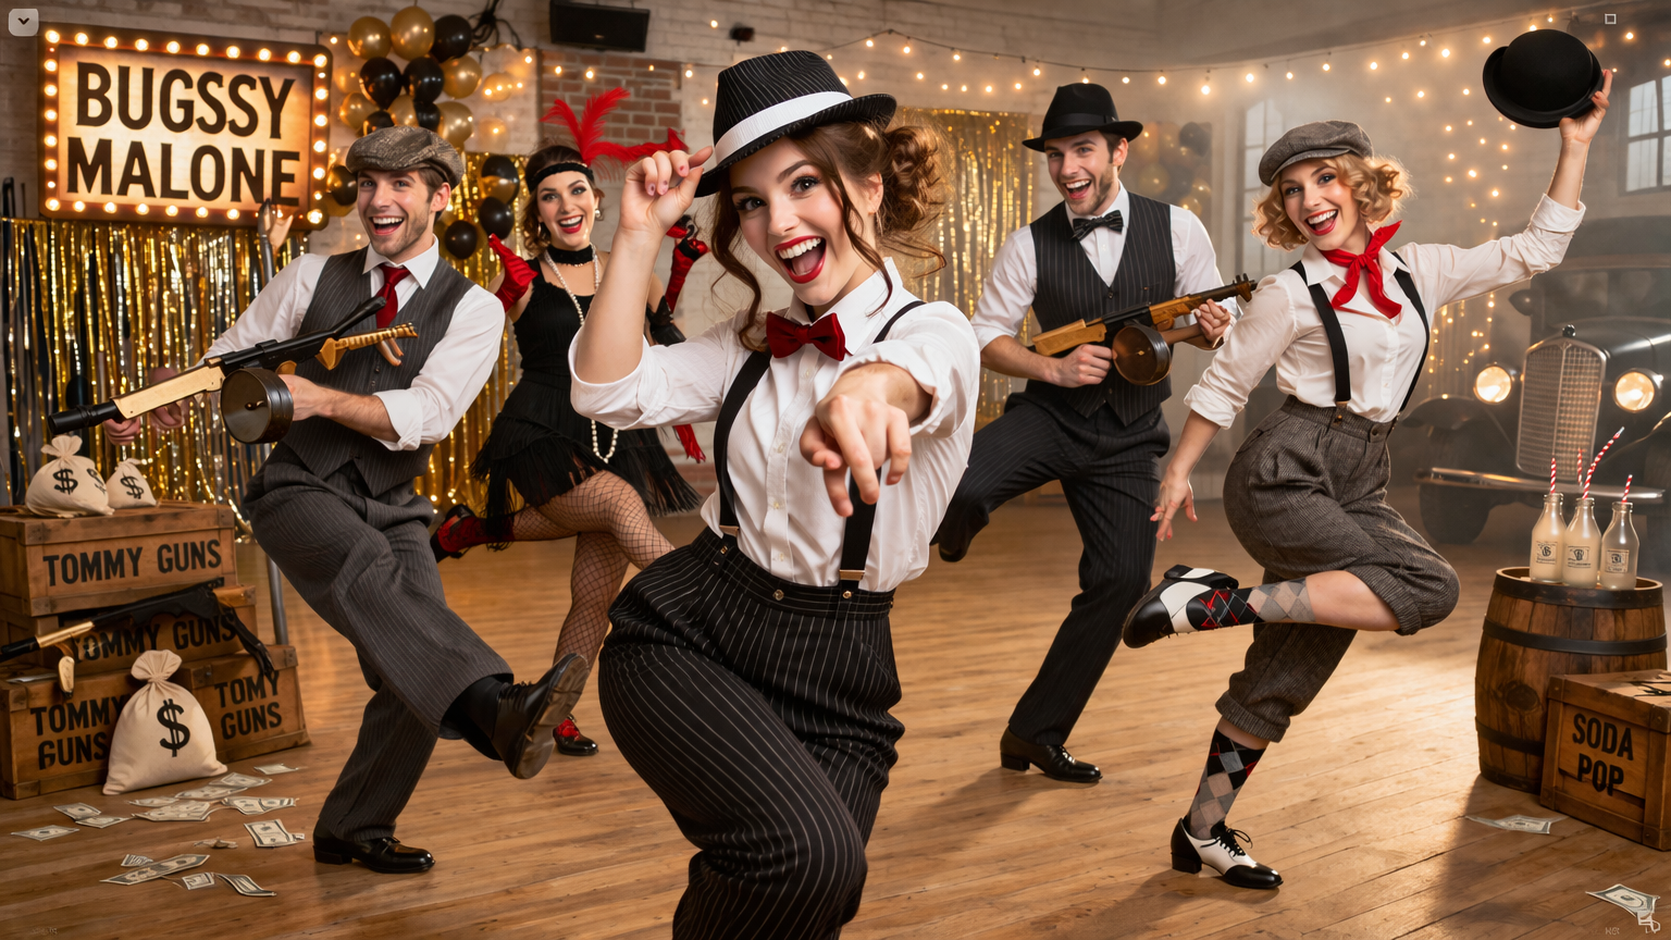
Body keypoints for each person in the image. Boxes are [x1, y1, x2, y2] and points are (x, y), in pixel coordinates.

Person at [1123, 75, 1611, 889]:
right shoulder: (1286, 292)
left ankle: (1201, 829)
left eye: (1323, 177)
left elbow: (1535, 249)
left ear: (1359, 180)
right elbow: (1223, 385)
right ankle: (1205, 604)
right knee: (1423, 586)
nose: (1309, 198)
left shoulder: (1419, 269)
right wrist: (1178, 472)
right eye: (1291, 189)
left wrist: (1575, 145)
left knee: (1290, 664)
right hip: (1284, 469)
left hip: (1362, 476)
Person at [103, 125, 589, 874]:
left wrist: (320, 398)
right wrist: (161, 393)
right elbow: (229, 358)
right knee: (376, 579)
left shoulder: (474, 310)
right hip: (300, 485)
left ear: (439, 197)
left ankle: (353, 828)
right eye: (368, 185)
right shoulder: (310, 277)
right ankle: (496, 705)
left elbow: (426, 416)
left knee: (412, 665)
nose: (379, 200)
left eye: (400, 185)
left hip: (396, 502)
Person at [571, 50, 979, 938]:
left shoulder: (938, 332)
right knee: (807, 857)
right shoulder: (751, 340)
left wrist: (864, 394)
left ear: (868, 186)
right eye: (751, 202)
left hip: (844, 666)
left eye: (802, 184)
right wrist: (636, 235)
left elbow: (910, 376)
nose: (776, 222)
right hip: (693, 631)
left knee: (807, 900)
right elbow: (604, 391)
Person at [931, 82, 1234, 783]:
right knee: (960, 485)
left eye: (1083, 150)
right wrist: (1051, 369)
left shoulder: (1178, 229)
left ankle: (1034, 733)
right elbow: (983, 336)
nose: (1067, 167)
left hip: (1130, 435)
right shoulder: (1027, 243)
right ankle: (953, 529)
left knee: (1120, 580)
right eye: (1056, 154)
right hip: (1050, 416)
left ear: (1117, 151)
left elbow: (1199, 324)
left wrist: (1210, 332)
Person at [430, 92, 702, 757]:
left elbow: (660, 336)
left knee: (593, 596)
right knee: (616, 505)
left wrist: (683, 269)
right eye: (549, 196)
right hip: (543, 429)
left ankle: (550, 715)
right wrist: (500, 295)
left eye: (575, 189)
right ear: (538, 214)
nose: (565, 203)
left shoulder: (624, 270)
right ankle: (711, 610)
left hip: (614, 432)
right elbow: (463, 330)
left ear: (597, 200)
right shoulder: (522, 279)